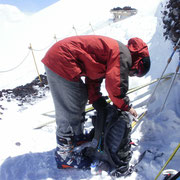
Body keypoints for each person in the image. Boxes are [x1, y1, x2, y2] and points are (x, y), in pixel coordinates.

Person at [41, 35, 151, 170]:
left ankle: (76, 137)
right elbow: (116, 85)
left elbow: (94, 77)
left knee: (79, 96)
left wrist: (96, 99)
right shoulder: (123, 55)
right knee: (69, 107)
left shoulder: (116, 53)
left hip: (62, 57)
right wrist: (126, 106)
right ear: (138, 62)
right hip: (61, 59)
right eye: (136, 73)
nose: (132, 75)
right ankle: (64, 156)